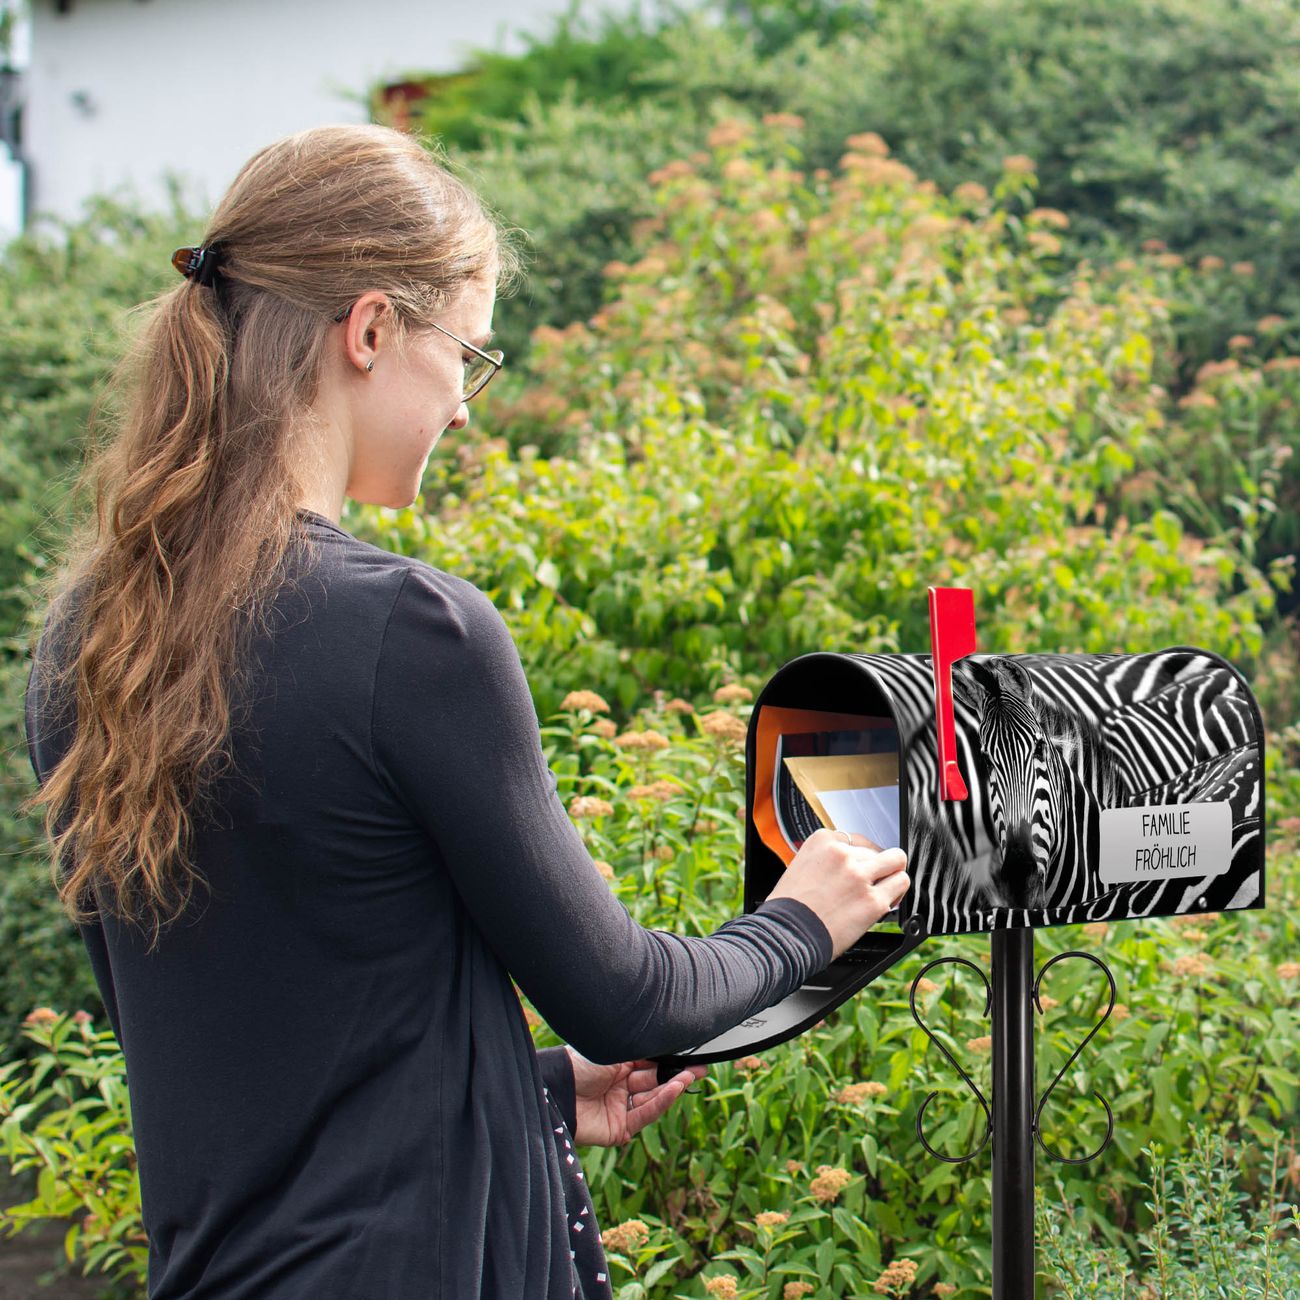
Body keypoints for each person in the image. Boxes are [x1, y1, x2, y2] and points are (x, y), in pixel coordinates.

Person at [22, 124, 910, 1300]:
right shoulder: (406, 630)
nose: (465, 409)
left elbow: (235, 1046)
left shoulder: (87, 640)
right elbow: (628, 996)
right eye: (467, 355)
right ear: (370, 329)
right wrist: (803, 918)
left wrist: (527, 1087)